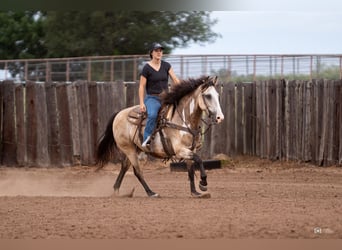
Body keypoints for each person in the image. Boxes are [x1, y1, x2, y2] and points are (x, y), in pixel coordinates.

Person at [139, 42, 180, 149]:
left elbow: (175, 79)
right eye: (156, 51)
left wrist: (183, 89)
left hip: (166, 97)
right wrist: (141, 103)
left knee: (179, 111)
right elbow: (142, 86)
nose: (159, 53)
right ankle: (146, 140)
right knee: (152, 115)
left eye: (160, 51)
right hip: (152, 98)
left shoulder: (166, 65)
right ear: (151, 53)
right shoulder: (146, 68)